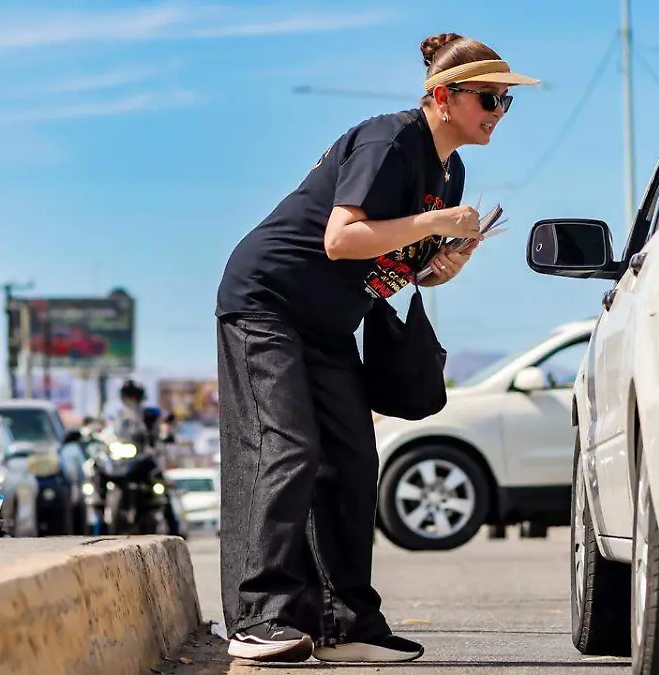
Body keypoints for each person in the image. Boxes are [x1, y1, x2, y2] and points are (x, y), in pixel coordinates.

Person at [213, 32, 538, 664]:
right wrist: (435, 223)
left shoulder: (451, 170)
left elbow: (395, 260)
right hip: (268, 303)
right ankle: (260, 616)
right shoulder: (389, 141)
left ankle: (346, 623)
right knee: (287, 448)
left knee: (354, 461)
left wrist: (440, 267)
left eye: (506, 101)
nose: (499, 112)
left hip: (331, 322)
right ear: (442, 98)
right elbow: (341, 239)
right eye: (488, 99)